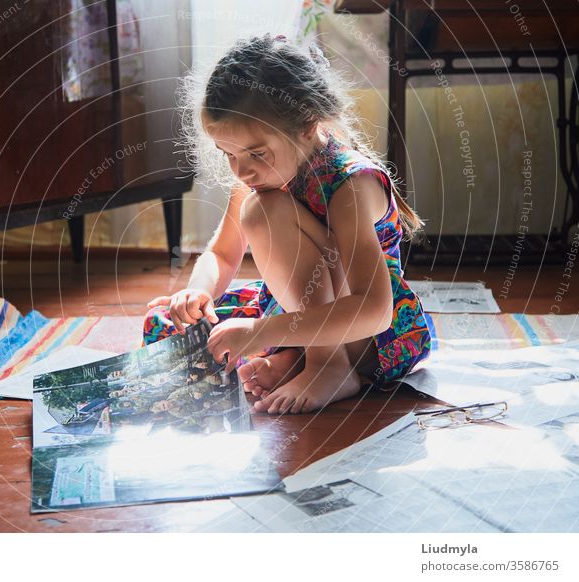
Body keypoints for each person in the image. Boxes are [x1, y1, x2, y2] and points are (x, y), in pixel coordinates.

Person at [142, 34, 432, 415]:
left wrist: (260, 333)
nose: (240, 169)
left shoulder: (351, 185)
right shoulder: (257, 173)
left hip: (372, 335)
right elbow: (223, 253)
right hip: (300, 318)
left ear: (307, 124)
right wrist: (197, 293)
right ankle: (294, 358)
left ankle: (327, 365)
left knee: (262, 212)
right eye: (227, 154)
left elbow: (374, 310)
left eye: (255, 153)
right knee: (167, 330)